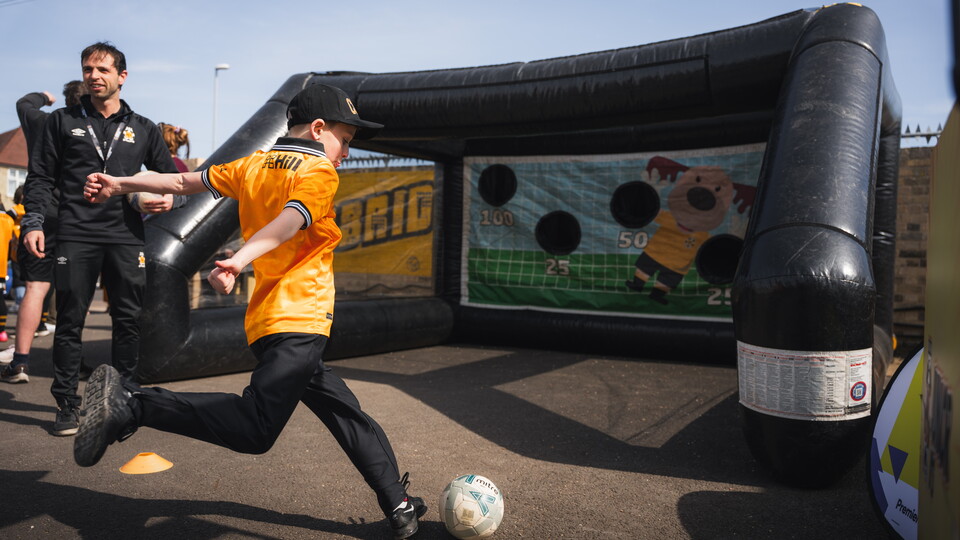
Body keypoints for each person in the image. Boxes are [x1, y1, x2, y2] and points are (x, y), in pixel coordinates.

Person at [77, 84, 428, 539]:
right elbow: (293, 218)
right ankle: (131, 405)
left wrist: (121, 184)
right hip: (299, 319)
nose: (345, 152)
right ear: (319, 129)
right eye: (346, 139)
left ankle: (397, 504)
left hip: (268, 324)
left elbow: (185, 182)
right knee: (255, 430)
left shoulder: (254, 164)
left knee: (343, 410)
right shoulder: (319, 171)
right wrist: (240, 258)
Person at [21, 42, 182, 436]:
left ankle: (124, 401)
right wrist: (34, 222)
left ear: (121, 77)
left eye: (102, 70)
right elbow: (40, 177)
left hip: (126, 237)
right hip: (75, 234)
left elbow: (169, 177)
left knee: (127, 321)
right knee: (70, 322)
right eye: (87, 69)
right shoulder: (60, 122)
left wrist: (167, 198)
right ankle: (66, 404)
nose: (93, 76)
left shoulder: (143, 127)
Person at [1, 82, 86, 378]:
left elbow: (24, 103)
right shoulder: (89, 128)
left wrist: (44, 98)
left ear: (65, 99)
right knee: (72, 291)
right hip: (75, 216)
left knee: (36, 288)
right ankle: (71, 361)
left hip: (41, 213)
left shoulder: (43, 121)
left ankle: (21, 361)